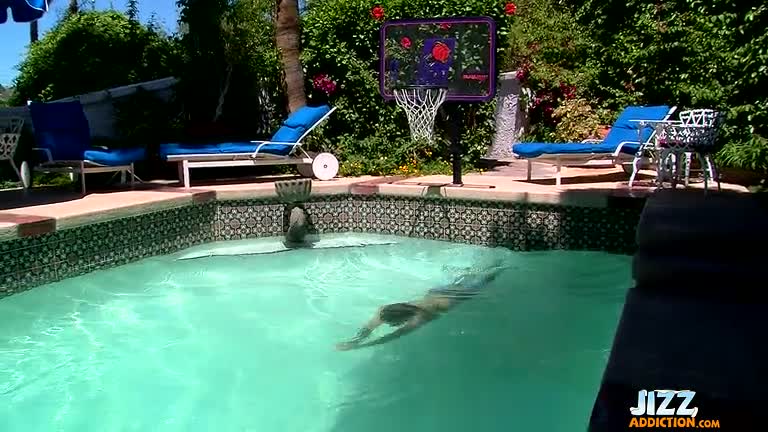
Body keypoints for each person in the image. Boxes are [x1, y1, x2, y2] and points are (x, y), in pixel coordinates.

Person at [335, 263, 506, 351]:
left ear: (400, 320)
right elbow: (368, 327)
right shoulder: (385, 310)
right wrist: (353, 341)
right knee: (467, 277)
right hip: (437, 291)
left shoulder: (422, 317)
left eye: (393, 324)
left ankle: (501, 267)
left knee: (488, 278)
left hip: (455, 298)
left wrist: (360, 346)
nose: (392, 326)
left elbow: (394, 336)